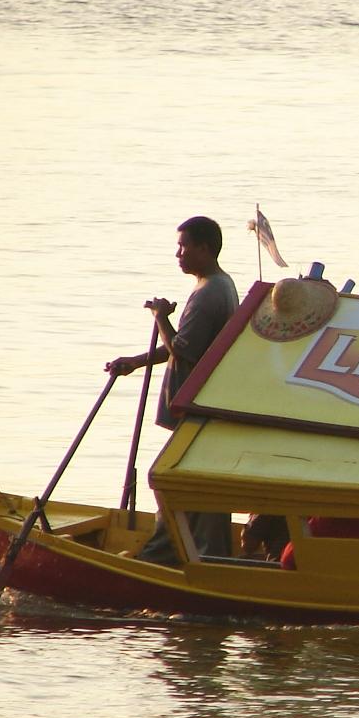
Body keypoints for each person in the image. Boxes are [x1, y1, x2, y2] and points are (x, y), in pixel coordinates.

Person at [105, 216, 239, 561]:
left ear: (205, 248)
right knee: (191, 484)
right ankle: (184, 551)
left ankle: (163, 554)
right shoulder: (215, 286)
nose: (178, 253)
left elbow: (184, 349)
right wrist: (136, 361)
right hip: (202, 408)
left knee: (167, 480)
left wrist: (159, 316)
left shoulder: (210, 291)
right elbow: (184, 344)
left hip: (197, 408)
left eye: (184, 246)